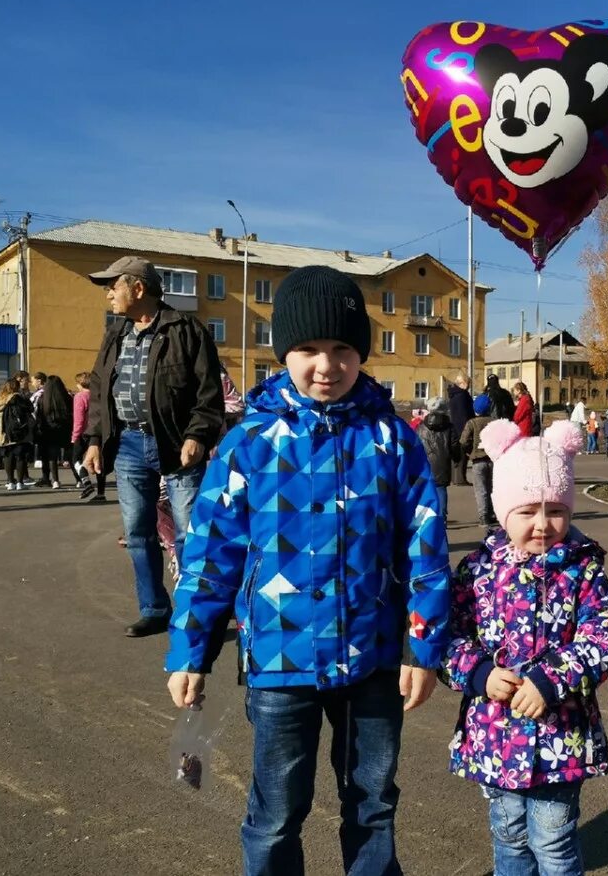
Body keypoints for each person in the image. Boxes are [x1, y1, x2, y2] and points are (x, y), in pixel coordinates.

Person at [164, 265, 450, 876]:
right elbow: (211, 557)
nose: (327, 365)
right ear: (283, 353)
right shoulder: (249, 444)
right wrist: (191, 652)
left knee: (372, 804)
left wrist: (422, 649)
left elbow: (423, 550)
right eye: (308, 350)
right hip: (279, 660)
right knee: (275, 812)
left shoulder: (392, 441)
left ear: (361, 353)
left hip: (372, 658)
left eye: (343, 348)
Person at [443, 419, 608, 876]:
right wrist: (478, 673)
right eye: (527, 512)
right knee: (509, 835)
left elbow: (603, 634)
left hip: (561, 734)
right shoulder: (478, 570)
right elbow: (449, 635)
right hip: (495, 734)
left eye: (557, 510)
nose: (543, 524)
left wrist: (551, 679)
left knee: (554, 839)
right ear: (503, 511)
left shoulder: (582, 570)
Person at [82, 255, 225, 638]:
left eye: (114, 286)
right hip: (128, 444)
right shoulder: (115, 335)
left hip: (177, 446)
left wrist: (197, 435)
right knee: (139, 533)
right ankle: (154, 609)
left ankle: (196, 614)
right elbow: (99, 390)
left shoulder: (186, 330)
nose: (109, 294)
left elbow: (208, 391)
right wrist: (95, 440)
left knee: (189, 534)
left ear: (138, 288)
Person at [459, 393, 496, 530]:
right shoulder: (494, 422)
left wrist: (469, 451)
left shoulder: (472, 423)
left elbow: (463, 441)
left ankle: (484, 516)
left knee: (481, 490)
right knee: (492, 488)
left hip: (477, 460)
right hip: (492, 459)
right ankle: (492, 512)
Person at [418, 395, 454, 523]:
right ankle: (442, 517)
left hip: (425, 462)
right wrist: (456, 458)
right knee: (441, 489)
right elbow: (454, 445)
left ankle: (427, 517)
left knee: (426, 490)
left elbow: (417, 444)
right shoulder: (449, 427)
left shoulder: (421, 426)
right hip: (443, 462)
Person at [0, 378, 34, 490]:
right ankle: (20, 482)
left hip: (4, 433)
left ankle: (10, 482)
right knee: (20, 457)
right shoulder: (19, 398)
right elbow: (30, 409)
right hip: (19, 432)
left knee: (8, 456)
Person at [71, 372, 105, 500]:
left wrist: (75, 436)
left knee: (76, 459)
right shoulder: (97, 396)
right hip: (97, 431)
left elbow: (78, 419)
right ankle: (101, 493)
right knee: (98, 461)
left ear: (80, 384)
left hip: (84, 433)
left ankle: (86, 482)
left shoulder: (80, 397)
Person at [36, 375, 74, 488]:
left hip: (47, 429)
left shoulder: (43, 398)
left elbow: (39, 415)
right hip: (64, 429)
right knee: (71, 455)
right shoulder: (67, 398)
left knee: (48, 456)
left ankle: (49, 479)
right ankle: (79, 478)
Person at [448, 373, 475, 485]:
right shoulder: (462, 396)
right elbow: (464, 415)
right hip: (462, 428)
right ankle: (460, 479)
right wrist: (467, 430)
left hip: (455, 427)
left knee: (456, 455)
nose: (469, 386)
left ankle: (455, 478)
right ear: (462, 383)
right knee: (462, 455)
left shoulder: (454, 395)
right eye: (468, 383)